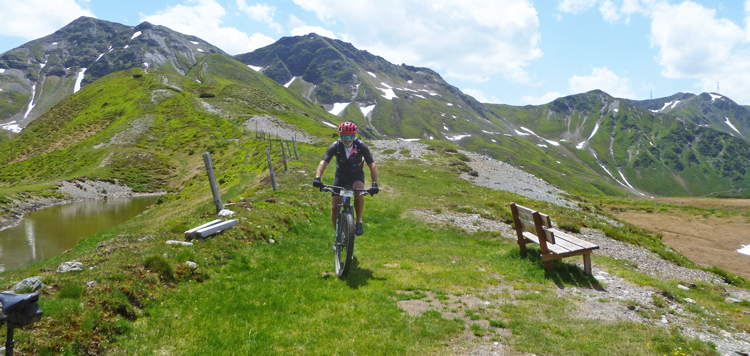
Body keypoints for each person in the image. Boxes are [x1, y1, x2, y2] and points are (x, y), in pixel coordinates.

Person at [313, 121, 379, 235]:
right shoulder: (335, 146)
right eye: (344, 136)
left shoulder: (360, 146)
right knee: (335, 208)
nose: (347, 139)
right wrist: (317, 177)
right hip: (341, 175)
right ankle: (338, 235)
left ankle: (359, 220)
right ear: (340, 136)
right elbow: (323, 162)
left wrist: (374, 184)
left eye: (350, 136)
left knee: (358, 192)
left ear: (354, 136)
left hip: (356, 174)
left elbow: (372, 165)